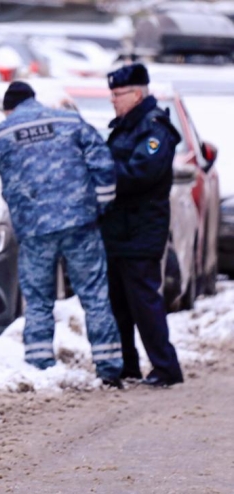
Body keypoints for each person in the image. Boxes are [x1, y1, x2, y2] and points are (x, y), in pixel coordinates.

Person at [0, 81, 124, 387]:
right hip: (80, 224)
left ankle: (40, 363)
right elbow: (102, 162)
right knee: (95, 295)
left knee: (37, 299)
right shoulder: (69, 121)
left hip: (35, 230)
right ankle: (110, 365)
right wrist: (101, 204)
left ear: (8, 109)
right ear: (34, 100)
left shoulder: (2, 134)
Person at [102, 63, 184, 387]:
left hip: (141, 231)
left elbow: (140, 174)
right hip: (119, 230)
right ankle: (128, 366)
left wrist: (101, 175)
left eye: (118, 94)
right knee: (119, 303)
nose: (113, 100)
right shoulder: (126, 126)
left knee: (144, 303)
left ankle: (166, 368)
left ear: (137, 94)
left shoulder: (154, 129)